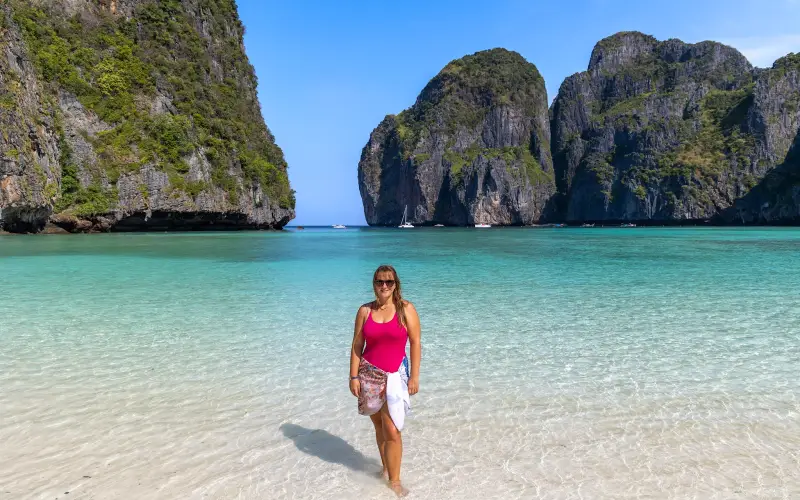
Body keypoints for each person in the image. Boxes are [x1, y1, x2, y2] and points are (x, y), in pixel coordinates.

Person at [349, 264, 421, 497]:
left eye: (389, 282)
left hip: (394, 375)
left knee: (392, 428)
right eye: (380, 282)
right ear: (374, 284)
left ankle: (395, 480)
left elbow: (416, 343)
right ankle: (385, 467)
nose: (384, 286)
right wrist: (353, 376)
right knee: (379, 425)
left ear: (395, 284)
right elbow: (357, 346)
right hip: (368, 373)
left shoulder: (405, 309)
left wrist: (415, 376)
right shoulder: (364, 311)